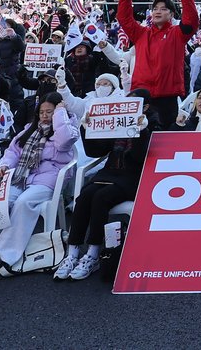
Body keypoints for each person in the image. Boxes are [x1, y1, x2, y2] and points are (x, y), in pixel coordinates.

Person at [0, 93, 78, 278]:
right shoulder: (29, 130)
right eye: (41, 112)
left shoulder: (67, 129)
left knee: (23, 203)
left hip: (47, 180)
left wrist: (60, 113)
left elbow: (65, 141)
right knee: (2, 202)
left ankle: (2, 254)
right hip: (21, 176)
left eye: (49, 111)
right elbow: (13, 152)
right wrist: (4, 165)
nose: (44, 115)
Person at [58, 90, 156, 281]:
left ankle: (93, 252)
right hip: (110, 172)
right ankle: (73, 253)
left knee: (101, 198)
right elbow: (97, 150)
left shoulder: (153, 124)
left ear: (145, 107)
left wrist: (142, 131)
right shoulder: (118, 123)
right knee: (84, 197)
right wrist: (86, 129)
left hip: (133, 176)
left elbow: (140, 157)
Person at [117, 0, 199, 128]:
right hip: (141, 97)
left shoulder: (178, 33)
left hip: (166, 99)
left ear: (171, 14)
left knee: (164, 143)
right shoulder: (141, 33)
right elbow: (124, 18)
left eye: (163, 9)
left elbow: (192, 20)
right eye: (155, 8)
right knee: (139, 141)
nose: (157, 11)